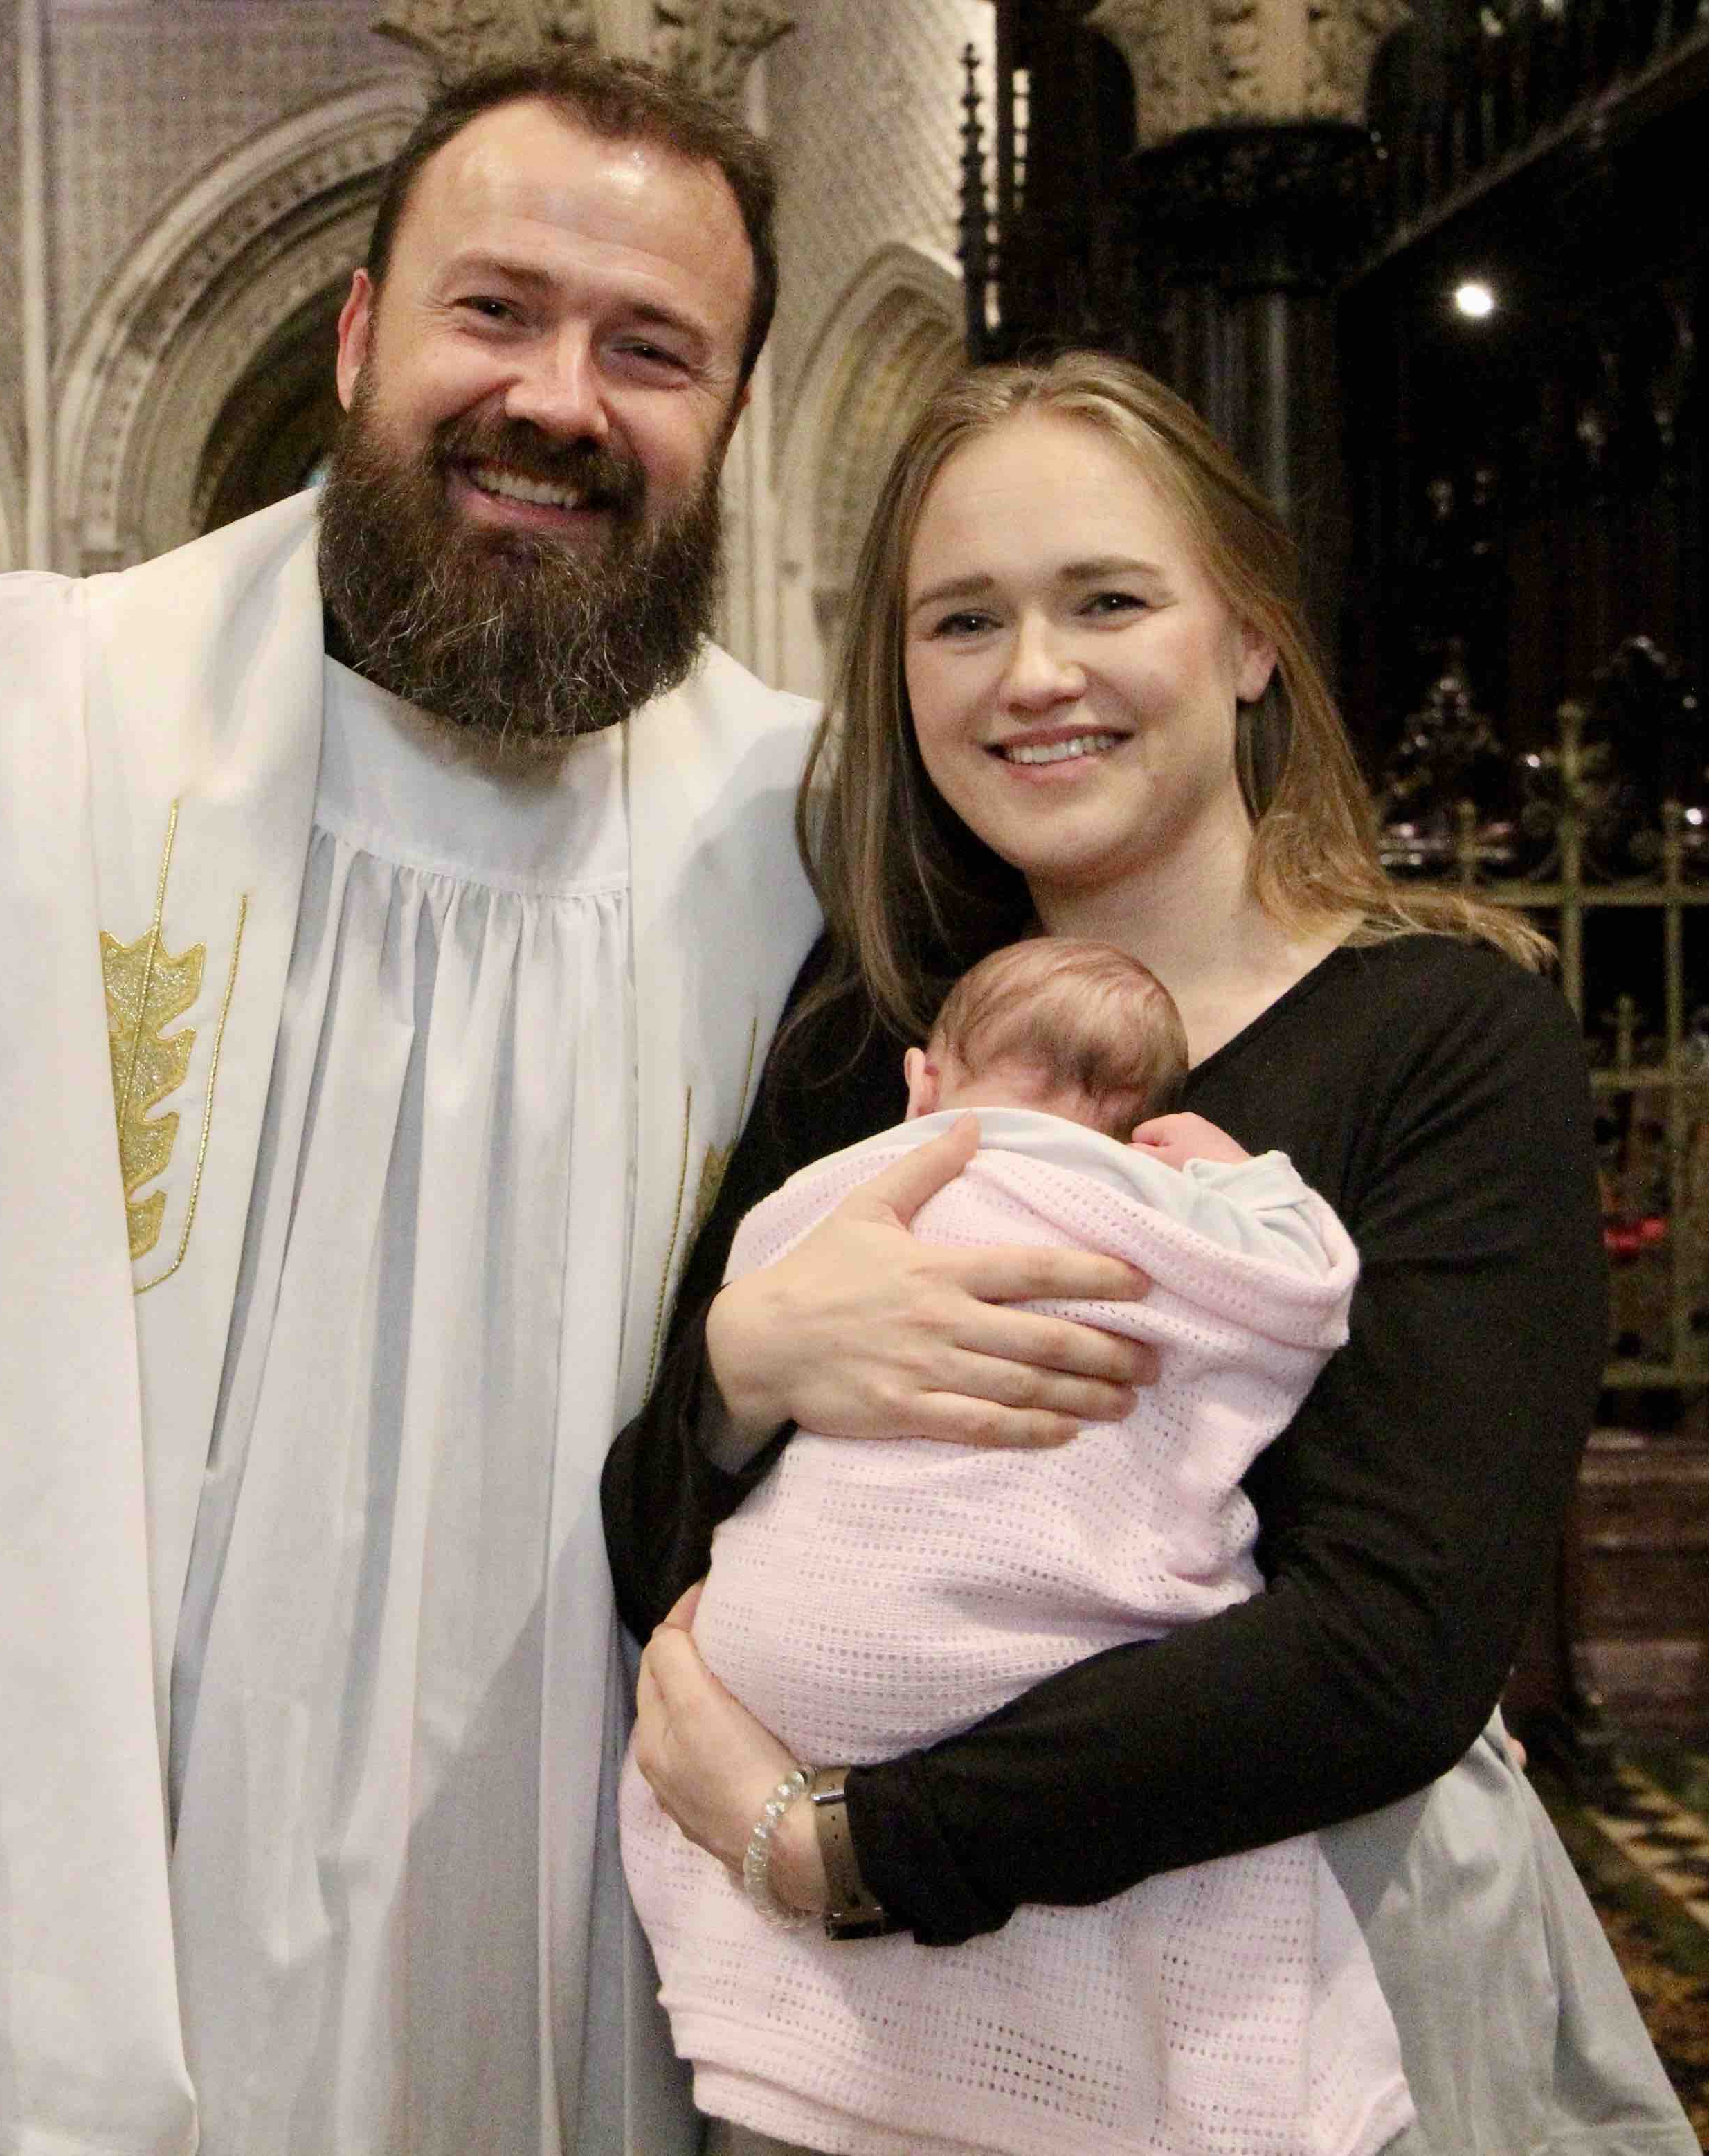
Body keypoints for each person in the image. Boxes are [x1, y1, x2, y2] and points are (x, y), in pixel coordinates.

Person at [0, 55, 1158, 2156]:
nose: (557, 401)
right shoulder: (16, 726)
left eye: (652, 351)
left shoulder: (798, 839)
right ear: (360, 334)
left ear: (731, 417)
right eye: (494, 310)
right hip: (80, 1926)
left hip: (592, 1929)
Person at [605, 352, 1697, 2155]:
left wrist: (858, 1845)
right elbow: (653, 1523)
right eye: (961, 620)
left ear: (1249, 637)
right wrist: (747, 1369)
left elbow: (1388, 1652)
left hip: (1293, 1996)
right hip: (872, 2046)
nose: (1032, 675)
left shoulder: (1442, 1032)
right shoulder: (867, 1040)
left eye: (1104, 599)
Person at [621, 934, 1410, 2156]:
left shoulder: (864, 1181)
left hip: (796, 1662)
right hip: (1072, 1671)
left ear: (921, 1082)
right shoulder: (1170, 1216)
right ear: (1148, 1119)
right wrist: (1240, 1180)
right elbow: (1304, 1296)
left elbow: (755, 1285)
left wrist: (748, 1351)